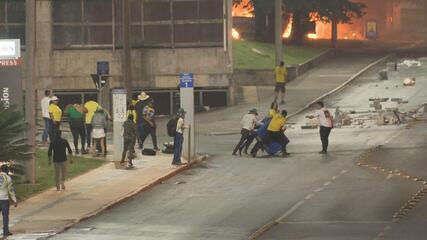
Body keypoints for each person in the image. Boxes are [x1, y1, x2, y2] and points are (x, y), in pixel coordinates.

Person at [0, 165, 17, 238]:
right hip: (4, 199)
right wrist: (14, 200)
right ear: (7, 170)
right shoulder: (8, 178)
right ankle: (6, 232)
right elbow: (11, 190)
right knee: (5, 216)